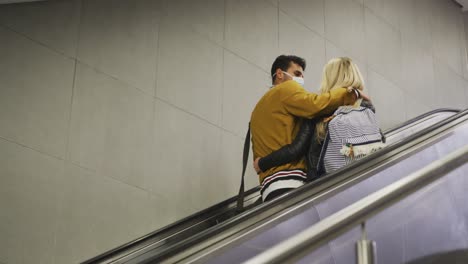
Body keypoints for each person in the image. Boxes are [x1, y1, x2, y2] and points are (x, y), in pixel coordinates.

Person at [253, 57, 381, 187]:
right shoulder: (367, 111)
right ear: (279, 74)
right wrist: (351, 92)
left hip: (330, 186)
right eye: (297, 74)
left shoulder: (259, 108)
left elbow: (297, 148)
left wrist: (262, 163)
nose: (301, 80)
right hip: (371, 179)